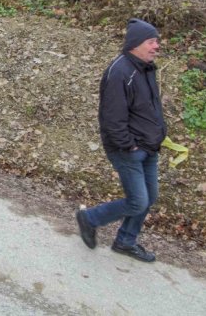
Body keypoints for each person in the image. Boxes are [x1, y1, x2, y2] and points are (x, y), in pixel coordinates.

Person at [75, 19, 167, 263]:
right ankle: (91, 218)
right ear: (136, 44)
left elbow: (147, 109)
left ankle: (125, 241)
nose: (157, 46)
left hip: (149, 147)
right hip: (128, 149)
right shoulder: (120, 71)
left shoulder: (145, 68)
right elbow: (112, 118)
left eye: (156, 41)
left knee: (149, 197)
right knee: (138, 201)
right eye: (152, 41)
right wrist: (128, 145)